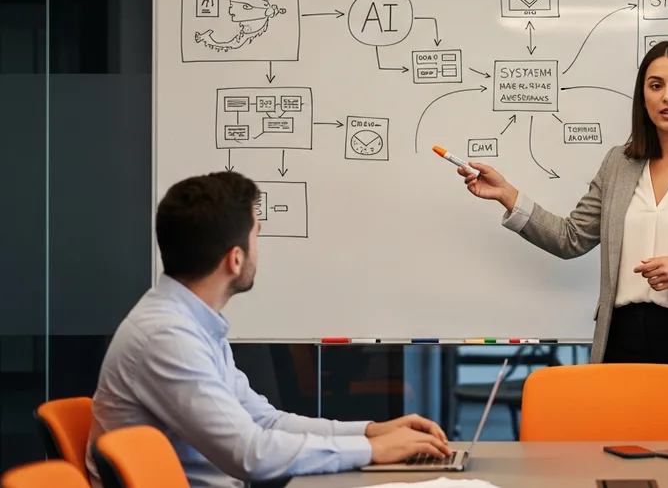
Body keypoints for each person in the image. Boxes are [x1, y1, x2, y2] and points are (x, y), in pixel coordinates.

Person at [457, 40, 668, 439]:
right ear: (643, 96)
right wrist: (508, 195)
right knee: (623, 461)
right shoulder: (619, 164)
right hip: (623, 338)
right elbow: (570, 238)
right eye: (655, 85)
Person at [86, 171, 451, 488]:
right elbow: (249, 454)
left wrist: (371, 432)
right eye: (256, 235)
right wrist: (373, 450)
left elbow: (264, 421)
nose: (258, 248)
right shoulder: (167, 337)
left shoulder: (190, 324)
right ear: (236, 258)